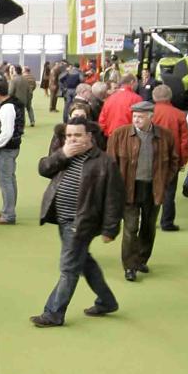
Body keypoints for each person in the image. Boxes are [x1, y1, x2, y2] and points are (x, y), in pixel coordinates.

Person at [29, 119, 124, 327]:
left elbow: (114, 199)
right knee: (84, 262)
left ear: (90, 136)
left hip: (82, 222)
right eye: (69, 135)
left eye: (77, 135)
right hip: (63, 219)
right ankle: (107, 301)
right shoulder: (64, 154)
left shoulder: (105, 162)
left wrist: (110, 228)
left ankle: (53, 313)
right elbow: (44, 169)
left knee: (69, 268)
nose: (72, 139)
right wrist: (63, 154)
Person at [107, 100, 179, 282]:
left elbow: (174, 161)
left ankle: (141, 259)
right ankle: (129, 266)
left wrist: (165, 181)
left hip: (153, 188)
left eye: (140, 116)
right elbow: (110, 163)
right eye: (134, 116)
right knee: (131, 228)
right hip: (128, 188)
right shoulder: (119, 135)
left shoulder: (165, 136)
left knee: (149, 228)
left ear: (151, 117)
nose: (136, 119)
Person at [151, 84, 188, 232]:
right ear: (170, 96)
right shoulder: (179, 114)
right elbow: (184, 141)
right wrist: (183, 160)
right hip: (171, 158)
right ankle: (167, 222)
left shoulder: (148, 113)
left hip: (150, 157)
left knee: (149, 190)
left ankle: (149, 220)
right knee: (169, 192)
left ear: (154, 97)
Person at [0, 79, 24, 225]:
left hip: (5, 149)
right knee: (10, 179)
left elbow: (7, 132)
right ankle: (8, 209)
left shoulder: (6, 108)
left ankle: (8, 214)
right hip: (12, 147)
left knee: (5, 181)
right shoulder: (13, 103)